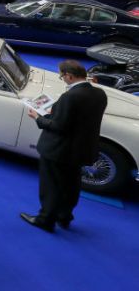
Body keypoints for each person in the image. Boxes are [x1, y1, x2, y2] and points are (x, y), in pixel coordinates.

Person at [20, 60, 107, 232]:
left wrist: (37, 117)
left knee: (51, 186)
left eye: (62, 76)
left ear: (69, 75)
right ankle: (64, 216)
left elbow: (59, 127)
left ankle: (45, 220)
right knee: (71, 185)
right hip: (80, 150)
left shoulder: (70, 96)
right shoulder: (99, 94)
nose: (62, 79)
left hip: (58, 150)